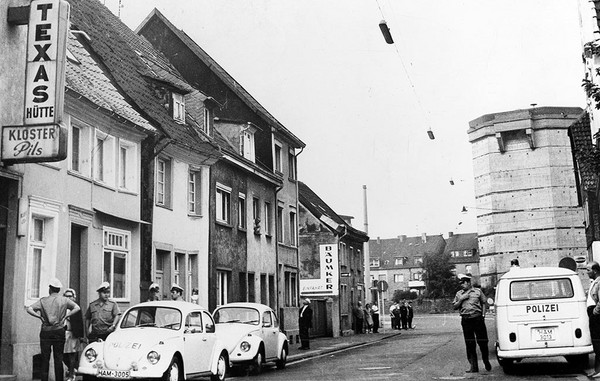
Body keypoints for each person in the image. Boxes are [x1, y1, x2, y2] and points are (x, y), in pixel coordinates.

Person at [26, 278, 80, 381]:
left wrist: (39, 317)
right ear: (59, 290)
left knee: (45, 359)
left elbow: (29, 309)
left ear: (50, 289)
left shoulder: (43, 300)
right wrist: (66, 316)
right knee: (58, 359)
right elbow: (77, 308)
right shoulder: (64, 300)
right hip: (59, 331)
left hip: (46, 331)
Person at [453, 274, 491, 373]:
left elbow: (484, 303)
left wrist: (483, 315)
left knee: (482, 341)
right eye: (461, 284)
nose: (462, 285)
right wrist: (461, 299)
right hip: (466, 320)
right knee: (470, 343)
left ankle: (486, 360)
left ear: (469, 283)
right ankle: (473, 367)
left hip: (477, 319)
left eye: (464, 283)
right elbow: (455, 306)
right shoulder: (459, 294)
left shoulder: (478, 292)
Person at [62, 288, 84, 381]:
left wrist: (81, 336)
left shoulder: (76, 308)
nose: (68, 298)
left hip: (72, 334)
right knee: (62, 355)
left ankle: (71, 375)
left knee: (72, 356)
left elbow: (80, 322)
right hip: (62, 334)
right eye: (66, 296)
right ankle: (72, 370)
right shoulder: (61, 307)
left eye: (70, 296)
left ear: (74, 298)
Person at [587, 261, 600, 377]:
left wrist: (595, 312)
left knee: (597, 342)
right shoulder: (594, 282)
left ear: (595, 271)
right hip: (593, 315)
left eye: (588, 270)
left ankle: (598, 370)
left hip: (596, 315)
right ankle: (597, 370)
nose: (587, 272)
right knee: (596, 342)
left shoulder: (599, 282)